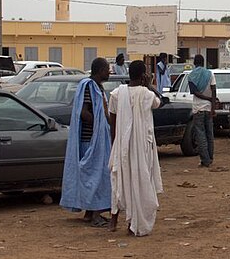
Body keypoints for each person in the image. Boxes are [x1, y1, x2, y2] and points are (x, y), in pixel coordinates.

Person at [108, 60, 164, 235]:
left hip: (122, 146)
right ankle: (135, 223)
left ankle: (113, 220)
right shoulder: (146, 94)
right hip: (141, 147)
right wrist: (148, 85)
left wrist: (114, 144)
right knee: (139, 181)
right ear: (143, 76)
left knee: (119, 182)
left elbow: (112, 121)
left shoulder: (117, 93)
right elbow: (159, 102)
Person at [60, 57, 113, 227]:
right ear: (99, 70)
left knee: (97, 176)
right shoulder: (89, 87)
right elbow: (83, 112)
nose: (109, 72)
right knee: (96, 177)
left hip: (97, 140)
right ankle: (95, 214)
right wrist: (99, 124)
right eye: (107, 69)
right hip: (91, 140)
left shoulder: (98, 87)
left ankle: (91, 213)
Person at [187, 54, 216, 168]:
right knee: (210, 134)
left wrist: (207, 98)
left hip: (198, 108)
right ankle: (210, 157)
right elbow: (214, 90)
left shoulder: (191, 76)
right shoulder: (210, 74)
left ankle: (205, 160)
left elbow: (194, 92)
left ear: (194, 63)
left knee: (200, 135)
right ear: (203, 62)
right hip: (208, 108)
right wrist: (213, 105)